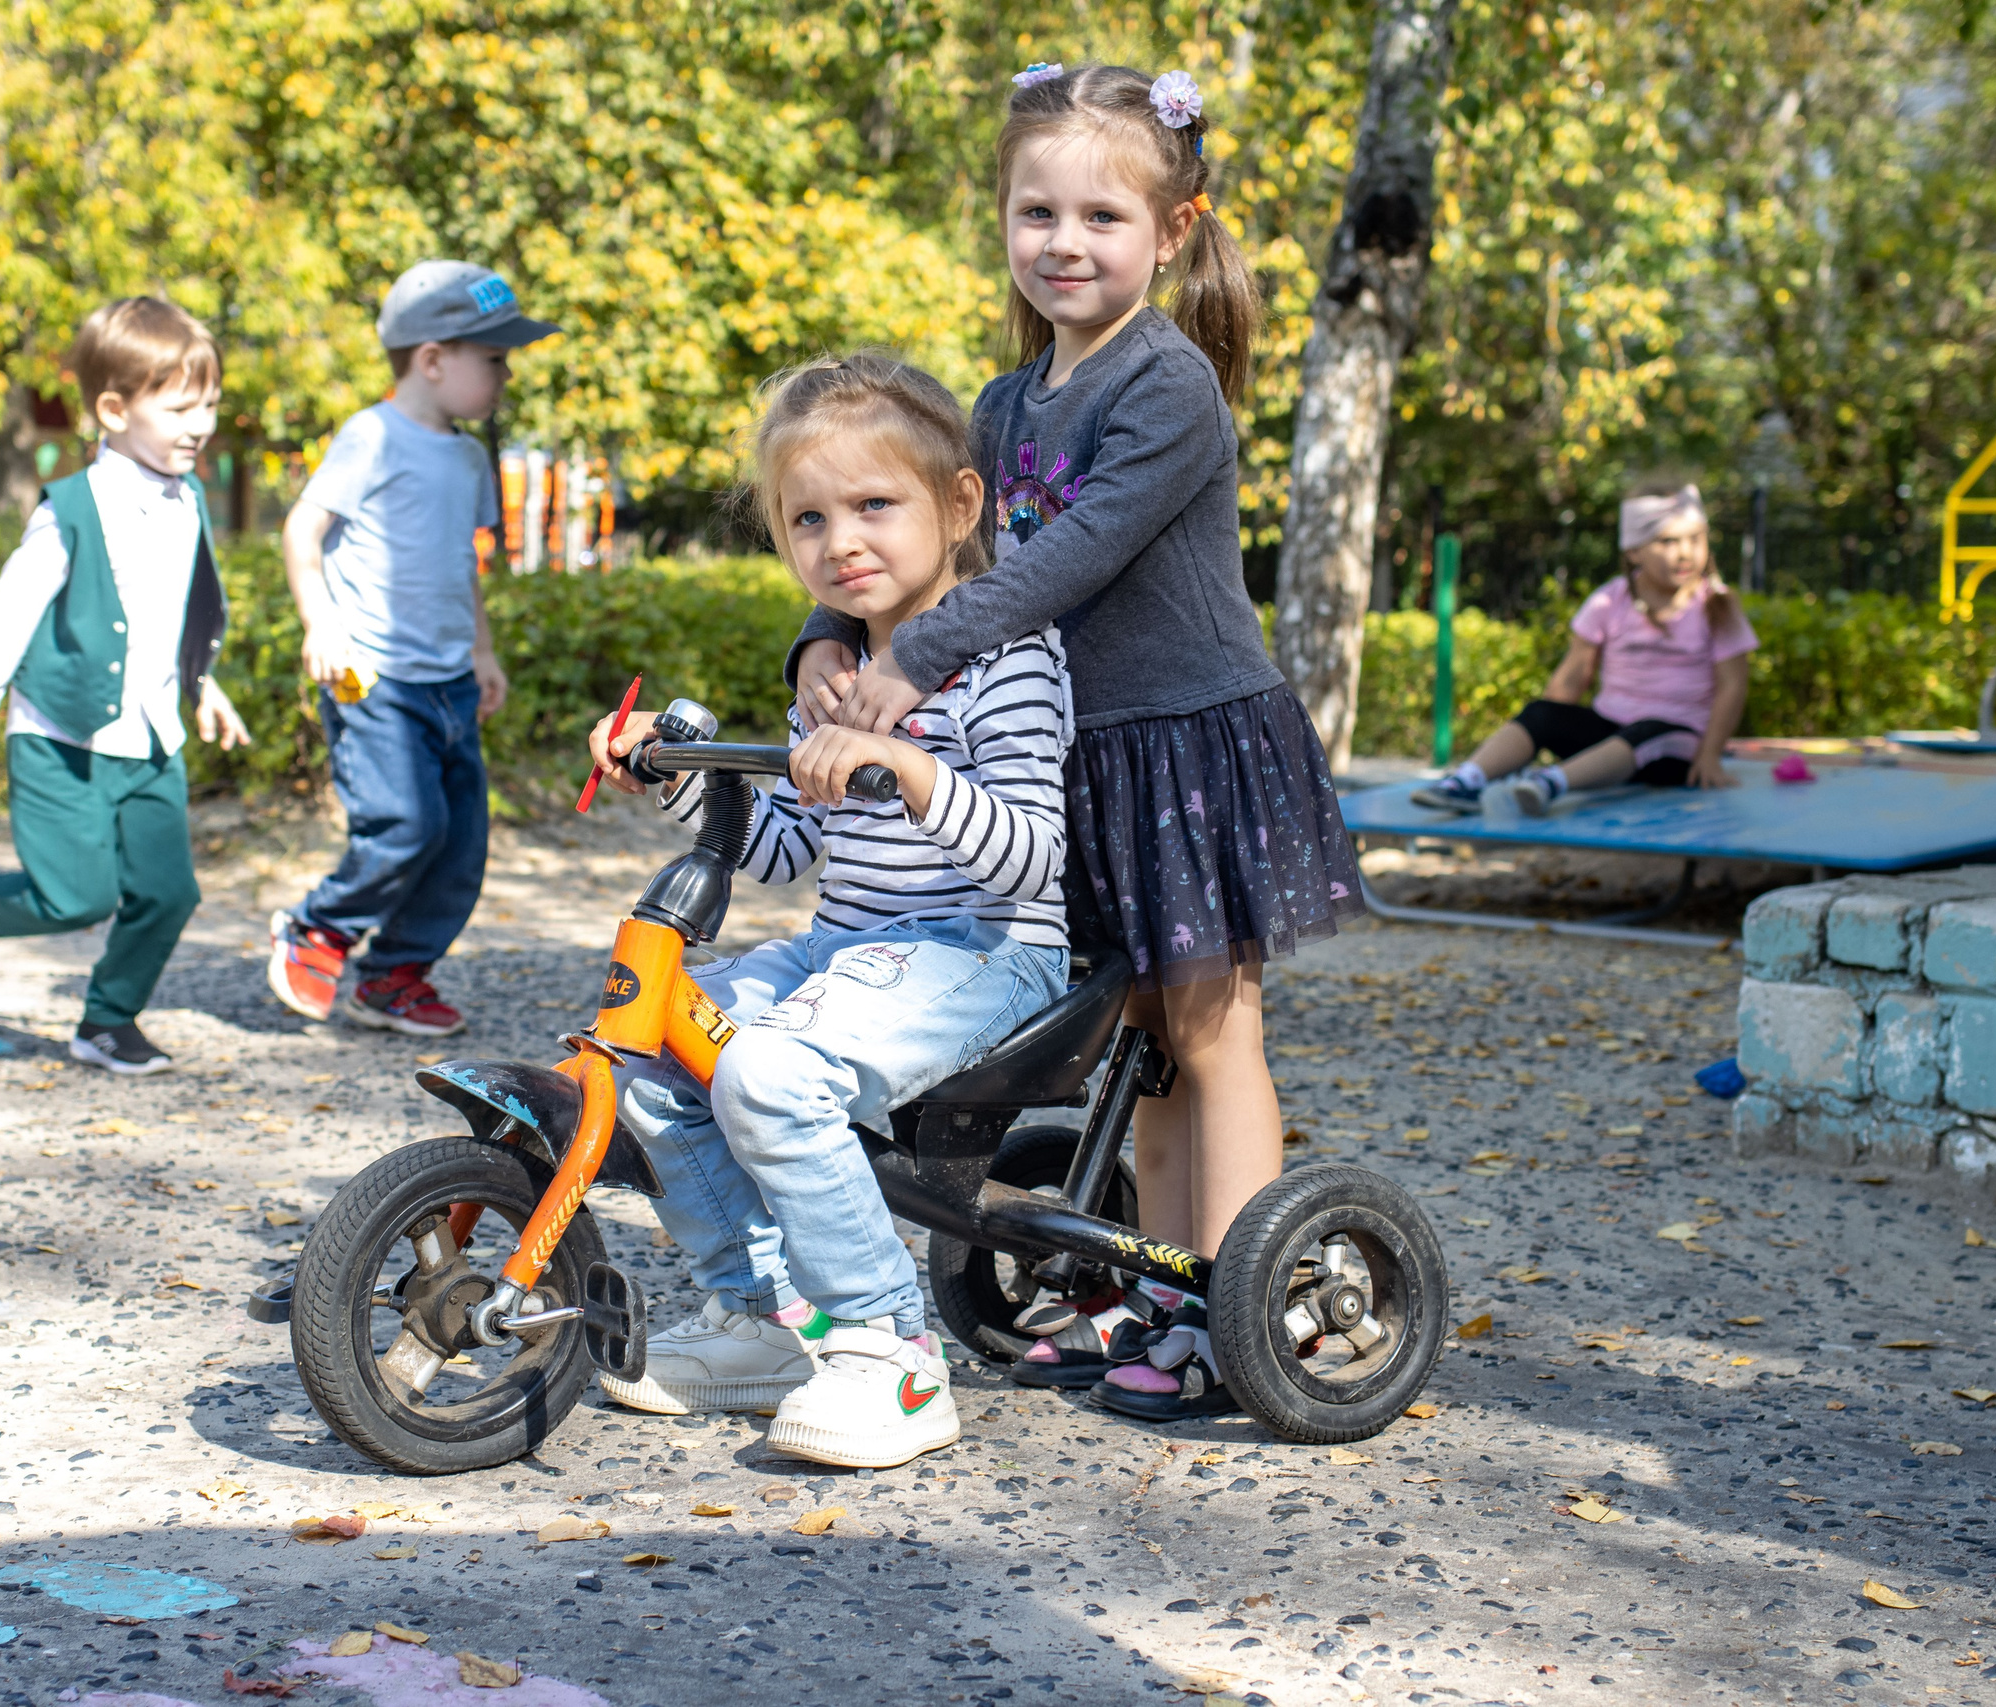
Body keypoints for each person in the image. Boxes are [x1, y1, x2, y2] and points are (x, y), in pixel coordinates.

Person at [787, 63, 1360, 1421]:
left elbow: (1079, 553)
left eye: (1102, 216)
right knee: (1141, 1041)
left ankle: (1241, 1304)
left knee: (1211, 1030)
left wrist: (914, 658)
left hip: (1183, 745)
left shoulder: (1169, 390)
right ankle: (1170, 1293)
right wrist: (822, 633)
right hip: (1069, 756)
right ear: (1002, 222)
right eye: (1036, 211)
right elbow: (938, 535)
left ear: (1170, 231)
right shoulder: (999, 405)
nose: (1064, 241)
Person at [588, 352, 1076, 1469]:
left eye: (873, 505)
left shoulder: (1009, 661)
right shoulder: (837, 669)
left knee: (771, 1072)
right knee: (652, 1046)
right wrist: (681, 778)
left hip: (989, 951)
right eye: (808, 519)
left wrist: (909, 770)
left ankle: (890, 1352)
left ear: (957, 507)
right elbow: (794, 845)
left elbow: (1032, 863)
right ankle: (761, 1324)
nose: (840, 540)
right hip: (848, 946)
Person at [0, 297, 250, 1075]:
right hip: (61, 735)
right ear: (113, 408)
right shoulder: (69, 510)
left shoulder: (190, 496)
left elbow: (176, 609)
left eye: (209, 403)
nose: (201, 423)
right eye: (180, 406)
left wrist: (203, 683)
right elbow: (6, 615)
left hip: (150, 738)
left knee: (169, 893)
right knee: (76, 896)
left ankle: (107, 1019)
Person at [264, 261, 558, 1037]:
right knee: (404, 824)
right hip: (374, 674)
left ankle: (394, 975)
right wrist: (319, 623)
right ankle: (316, 926)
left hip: (448, 679)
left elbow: (461, 563)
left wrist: (483, 653)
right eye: (493, 358)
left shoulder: (466, 458)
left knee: (460, 843)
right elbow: (303, 530)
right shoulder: (372, 435)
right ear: (433, 359)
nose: (505, 373)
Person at [1411, 481, 1756, 818]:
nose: (1685, 552)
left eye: (1696, 538)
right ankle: (1465, 782)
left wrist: (1709, 754)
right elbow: (1570, 680)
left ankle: (1549, 785)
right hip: (1610, 736)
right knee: (1541, 712)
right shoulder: (1610, 600)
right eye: (1668, 541)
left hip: (1678, 746)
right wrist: (1547, 729)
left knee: (1648, 732)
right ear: (1634, 550)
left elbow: (1732, 686)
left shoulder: (1717, 605)